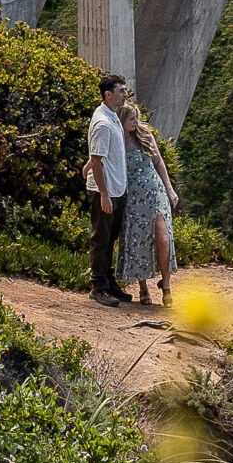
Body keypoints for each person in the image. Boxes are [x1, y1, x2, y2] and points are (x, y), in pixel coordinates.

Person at [114, 103, 179, 307]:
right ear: (122, 119)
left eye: (136, 117)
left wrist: (170, 190)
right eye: (131, 118)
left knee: (164, 238)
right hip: (133, 198)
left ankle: (166, 285)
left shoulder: (145, 135)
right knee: (137, 241)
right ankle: (143, 287)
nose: (136, 121)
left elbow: (159, 162)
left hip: (155, 192)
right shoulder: (115, 140)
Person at [85, 73, 132, 307]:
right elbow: (97, 160)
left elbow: (97, 155)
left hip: (115, 189)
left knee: (110, 238)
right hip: (106, 191)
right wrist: (103, 193)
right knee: (101, 239)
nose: (125, 94)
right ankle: (98, 287)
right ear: (109, 94)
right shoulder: (103, 122)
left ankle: (109, 282)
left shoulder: (111, 115)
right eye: (122, 90)